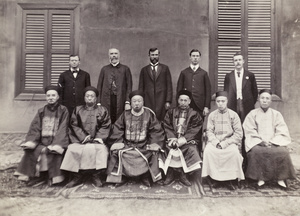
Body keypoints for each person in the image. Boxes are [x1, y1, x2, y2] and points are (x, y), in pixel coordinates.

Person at [106, 90, 165, 187]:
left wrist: (153, 143)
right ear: (131, 103)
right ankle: (123, 176)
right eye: (134, 101)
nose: (137, 104)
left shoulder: (149, 114)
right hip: (127, 145)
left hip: (144, 145)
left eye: (139, 101)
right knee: (118, 152)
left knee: (153, 153)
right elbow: (117, 129)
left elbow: (156, 131)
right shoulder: (125, 114)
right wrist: (119, 142)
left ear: (143, 102)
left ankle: (145, 176)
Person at [14, 86, 69, 186]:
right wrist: (32, 141)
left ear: (58, 97)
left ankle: (54, 178)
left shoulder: (63, 110)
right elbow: (35, 127)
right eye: (48, 95)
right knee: (31, 152)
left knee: (53, 153)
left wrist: (57, 144)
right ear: (46, 97)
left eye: (53, 95)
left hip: (56, 141)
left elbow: (63, 128)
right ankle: (35, 176)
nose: (50, 97)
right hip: (42, 141)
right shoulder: (41, 111)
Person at [243, 89, 296, 189]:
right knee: (256, 152)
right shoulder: (252, 114)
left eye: (267, 98)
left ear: (271, 101)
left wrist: (273, 142)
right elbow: (249, 130)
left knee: (283, 152)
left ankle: (280, 179)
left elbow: (282, 131)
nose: (265, 100)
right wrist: (260, 142)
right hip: (258, 142)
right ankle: (260, 178)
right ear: (258, 99)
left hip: (274, 142)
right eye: (262, 98)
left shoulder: (276, 114)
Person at [60, 86, 111, 188]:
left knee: (100, 150)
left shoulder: (103, 110)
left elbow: (106, 125)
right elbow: (73, 125)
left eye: (92, 96)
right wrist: (83, 137)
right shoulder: (78, 110)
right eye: (87, 96)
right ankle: (77, 176)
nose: (89, 98)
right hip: (81, 140)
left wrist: (98, 138)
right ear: (84, 98)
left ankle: (96, 175)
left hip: (97, 140)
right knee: (73, 149)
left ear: (96, 98)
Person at [201, 91, 245, 190]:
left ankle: (230, 180)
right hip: (215, 142)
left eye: (223, 101)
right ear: (215, 102)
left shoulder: (234, 115)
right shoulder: (212, 115)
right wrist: (216, 142)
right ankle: (214, 179)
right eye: (218, 101)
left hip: (229, 143)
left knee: (234, 152)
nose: (220, 104)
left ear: (227, 101)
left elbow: (239, 134)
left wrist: (225, 143)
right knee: (208, 151)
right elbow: (209, 131)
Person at [161, 89, 203, 186]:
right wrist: (172, 138)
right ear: (178, 100)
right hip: (172, 139)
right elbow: (167, 126)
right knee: (166, 148)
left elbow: (194, 129)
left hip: (187, 141)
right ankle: (170, 174)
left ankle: (184, 174)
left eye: (185, 100)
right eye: (181, 100)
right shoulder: (171, 112)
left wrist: (182, 140)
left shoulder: (194, 114)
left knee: (191, 149)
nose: (183, 103)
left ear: (189, 101)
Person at [97, 48, 132, 123]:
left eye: (115, 54)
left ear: (119, 55)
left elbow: (129, 86)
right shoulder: (104, 69)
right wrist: (98, 102)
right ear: (109, 56)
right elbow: (99, 86)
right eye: (111, 54)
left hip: (120, 99)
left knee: (120, 120)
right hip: (106, 99)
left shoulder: (125, 69)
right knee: (106, 118)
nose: (114, 56)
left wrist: (127, 102)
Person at [138, 48, 173, 121]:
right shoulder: (144, 70)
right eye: (152, 55)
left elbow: (169, 85)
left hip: (162, 100)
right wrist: (141, 101)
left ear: (159, 55)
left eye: (156, 55)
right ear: (149, 55)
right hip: (148, 100)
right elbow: (141, 87)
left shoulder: (165, 68)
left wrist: (168, 101)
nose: (154, 57)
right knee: (149, 120)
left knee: (162, 120)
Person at [224, 52, 258, 123]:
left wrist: (250, 102)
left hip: (246, 104)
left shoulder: (250, 75)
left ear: (243, 61)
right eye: (235, 60)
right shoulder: (229, 76)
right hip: (233, 103)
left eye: (239, 60)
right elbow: (226, 92)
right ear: (233, 62)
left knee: (246, 123)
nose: (238, 62)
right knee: (234, 123)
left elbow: (255, 92)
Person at [177, 49, 211, 118]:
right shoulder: (184, 72)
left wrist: (206, 106)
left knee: (199, 124)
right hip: (186, 104)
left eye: (197, 56)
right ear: (190, 57)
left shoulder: (204, 73)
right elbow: (179, 90)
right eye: (193, 56)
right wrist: (179, 104)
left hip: (200, 105)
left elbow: (208, 91)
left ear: (200, 58)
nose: (195, 58)